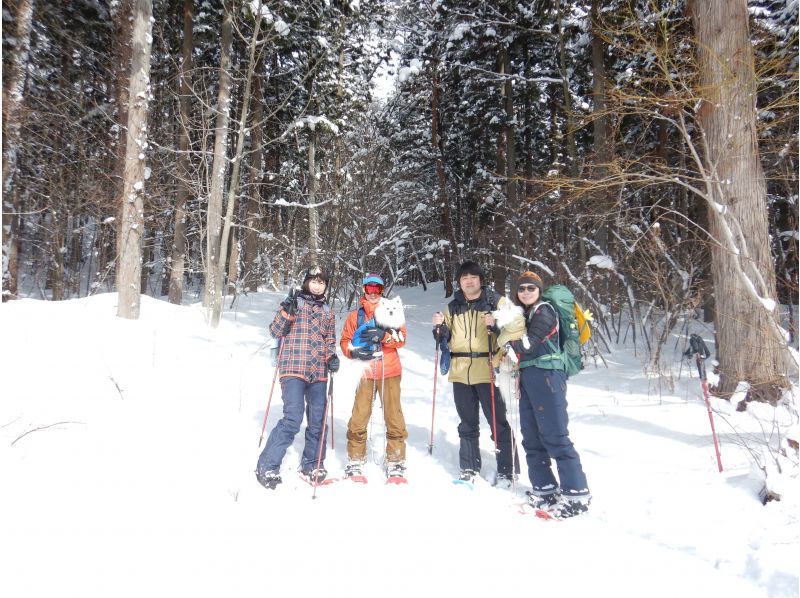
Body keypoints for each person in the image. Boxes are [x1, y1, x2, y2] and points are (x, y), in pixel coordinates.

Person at [510, 270, 591, 517]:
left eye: (531, 288)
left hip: (547, 378)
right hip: (529, 378)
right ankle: (545, 489)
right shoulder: (527, 314)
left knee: (555, 436)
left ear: (539, 291)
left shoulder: (545, 311)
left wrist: (499, 335)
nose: (526, 292)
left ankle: (576, 496)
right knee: (532, 437)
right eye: (522, 288)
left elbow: (528, 345)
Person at [431, 260, 519, 485]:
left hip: (489, 368)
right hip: (460, 372)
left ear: (481, 280)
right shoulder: (452, 307)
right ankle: (469, 467)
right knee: (467, 424)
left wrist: (496, 324)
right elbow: (445, 337)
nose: (468, 281)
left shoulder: (495, 301)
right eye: (464, 278)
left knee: (497, 422)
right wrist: (439, 329)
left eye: (473, 277)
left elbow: (515, 327)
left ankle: (508, 470)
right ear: (459, 282)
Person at [255, 265, 339, 490]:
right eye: (313, 280)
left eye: (321, 282)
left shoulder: (328, 312)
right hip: (293, 369)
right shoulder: (295, 304)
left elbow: (329, 340)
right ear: (306, 282)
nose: (317, 285)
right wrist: (286, 311)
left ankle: (312, 464)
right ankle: (267, 465)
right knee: (292, 418)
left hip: (318, 373)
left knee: (318, 420)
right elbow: (275, 331)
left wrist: (332, 357)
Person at [340, 273, 409, 480]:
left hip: (390, 370)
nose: (373, 293)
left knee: (393, 415)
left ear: (382, 291)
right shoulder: (356, 316)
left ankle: (395, 460)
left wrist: (385, 336)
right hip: (366, 371)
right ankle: (355, 459)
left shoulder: (392, 310)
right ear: (363, 290)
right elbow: (344, 341)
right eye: (369, 289)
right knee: (359, 416)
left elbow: (402, 338)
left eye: (377, 289)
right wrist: (353, 352)